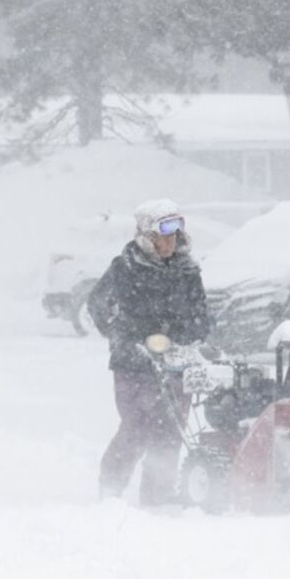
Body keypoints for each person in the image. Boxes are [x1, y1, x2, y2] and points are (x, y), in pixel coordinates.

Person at [86, 198, 211, 505]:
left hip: (175, 364)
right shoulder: (125, 268)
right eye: (162, 236)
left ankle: (158, 498)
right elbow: (98, 306)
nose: (169, 242)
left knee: (170, 433)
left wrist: (188, 336)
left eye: (173, 236)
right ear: (146, 237)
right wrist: (123, 336)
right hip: (133, 365)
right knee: (136, 429)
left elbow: (200, 315)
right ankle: (110, 490)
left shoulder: (187, 271)